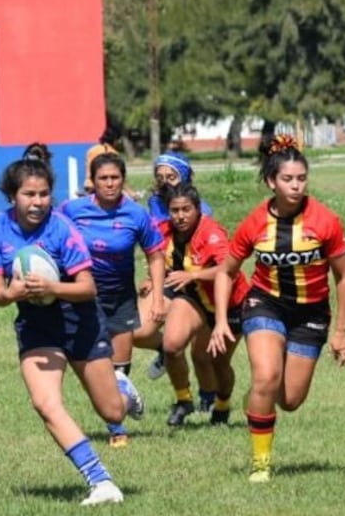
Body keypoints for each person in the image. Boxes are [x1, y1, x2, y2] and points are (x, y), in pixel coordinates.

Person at [0, 142, 144, 507]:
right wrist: (13, 292)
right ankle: (100, 482)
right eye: (29, 195)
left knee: (113, 412)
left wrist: (52, 287)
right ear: (12, 195)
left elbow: (88, 288)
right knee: (45, 402)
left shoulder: (62, 228)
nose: (38, 202)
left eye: (43, 194)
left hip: (79, 319)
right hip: (37, 325)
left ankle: (121, 387)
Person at [209, 133, 345, 483]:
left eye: (301, 178)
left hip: (311, 313)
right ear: (271, 181)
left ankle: (258, 395)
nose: (296, 186)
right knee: (266, 375)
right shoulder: (255, 223)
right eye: (288, 179)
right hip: (265, 304)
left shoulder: (326, 221)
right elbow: (225, 273)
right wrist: (219, 322)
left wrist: (342, 332)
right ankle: (261, 464)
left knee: (289, 399)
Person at [61, 152, 166, 448]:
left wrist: (158, 299)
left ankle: (119, 413)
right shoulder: (71, 210)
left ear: (124, 180)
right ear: (92, 182)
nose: (109, 184)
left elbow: (155, 256)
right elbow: (52, 236)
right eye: (103, 179)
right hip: (83, 297)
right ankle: (117, 427)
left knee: (118, 370)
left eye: (115, 178)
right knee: (96, 365)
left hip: (121, 297)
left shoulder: (136, 214)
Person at [153, 183, 249, 427]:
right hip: (195, 299)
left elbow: (229, 269)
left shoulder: (211, 232)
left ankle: (223, 404)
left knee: (217, 361)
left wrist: (193, 276)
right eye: (175, 210)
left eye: (186, 209)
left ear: (198, 209)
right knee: (172, 345)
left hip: (231, 304)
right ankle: (183, 400)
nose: (181, 216)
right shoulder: (164, 231)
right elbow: (155, 259)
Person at [143, 151, 217, 414]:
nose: (165, 182)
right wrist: (153, 277)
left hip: (203, 284)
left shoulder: (203, 214)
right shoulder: (154, 202)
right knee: (138, 330)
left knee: (202, 355)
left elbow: (220, 264)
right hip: (173, 277)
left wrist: (194, 275)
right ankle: (167, 352)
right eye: (160, 177)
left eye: (171, 177)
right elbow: (159, 245)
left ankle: (211, 400)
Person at [82, 127, 119, 195]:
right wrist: (131, 193)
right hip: (101, 186)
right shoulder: (112, 152)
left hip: (89, 184)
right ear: (114, 140)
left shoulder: (92, 150)